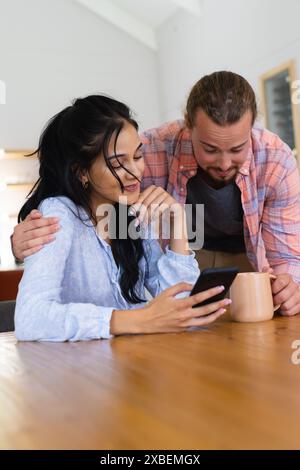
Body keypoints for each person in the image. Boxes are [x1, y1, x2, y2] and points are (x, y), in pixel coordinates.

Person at [13, 71, 300, 317]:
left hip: (246, 254)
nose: (224, 163)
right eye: (210, 149)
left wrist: (290, 286)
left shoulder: (274, 159)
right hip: (186, 248)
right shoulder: (147, 150)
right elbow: (97, 202)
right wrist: (28, 237)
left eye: (237, 149)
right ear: (188, 127)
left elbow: (287, 255)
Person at [14, 95, 230, 342]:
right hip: (72, 372)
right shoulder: (60, 213)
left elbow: (182, 307)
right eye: (117, 164)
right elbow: (30, 318)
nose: (135, 173)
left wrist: (178, 223)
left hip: (127, 366)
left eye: (138, 157)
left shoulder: (128, 215)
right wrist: (138, 319)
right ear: (82, 172)